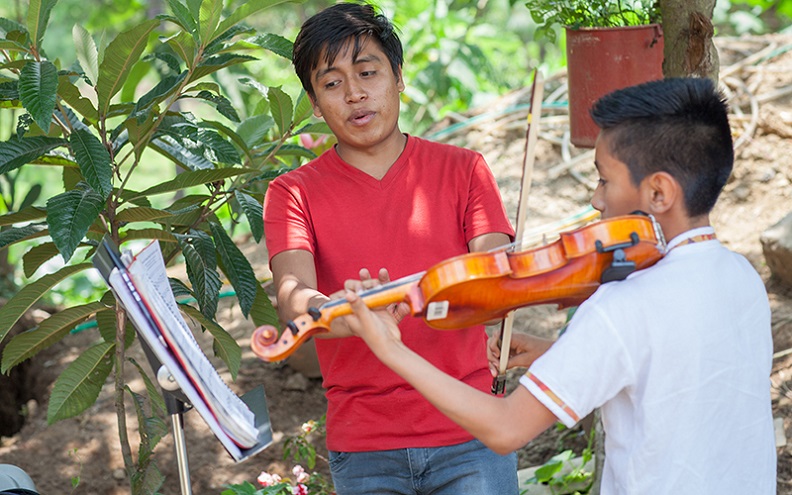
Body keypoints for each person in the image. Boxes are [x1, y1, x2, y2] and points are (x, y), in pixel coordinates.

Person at [342, 77, 777, 494]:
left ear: (659, 193)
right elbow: (673, 370)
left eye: (604, 179)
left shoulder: (622, 305)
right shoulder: (742, 276)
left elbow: (506, 428)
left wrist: (392, 349)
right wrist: (557, 355)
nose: (595, 198)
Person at [262, 3, 518, 494]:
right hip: (364, 444)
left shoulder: (465, 169)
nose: (355, 94)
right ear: (315, 102)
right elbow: (295, 300)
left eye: (367, 72)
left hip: (470, 429)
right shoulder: (292, 192)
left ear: (397, 77)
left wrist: (467, 290)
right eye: (332, 82)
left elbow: (495, 274)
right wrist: (349, 311)